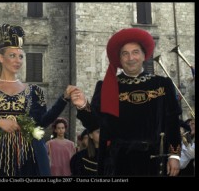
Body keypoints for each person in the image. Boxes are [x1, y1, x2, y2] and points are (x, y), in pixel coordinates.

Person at [0, 24, 76, 176]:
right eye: (12, 55)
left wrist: (64, 99)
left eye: (21, 56)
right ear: (1, 58)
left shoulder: (34, 91)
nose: (18, 60)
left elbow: (42, 122)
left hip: (26, 158)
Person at [70, 28, 182, 176]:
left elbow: (172, 121)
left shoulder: (162, 84)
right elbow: (96, 124)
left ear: (144, 55)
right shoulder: (106, 87)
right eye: (125, 54)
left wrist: (174, 155)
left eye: (135, 52)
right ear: (120, 59)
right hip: (118, 162)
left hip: (155, 160)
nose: (131, 58)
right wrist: (83, 106)